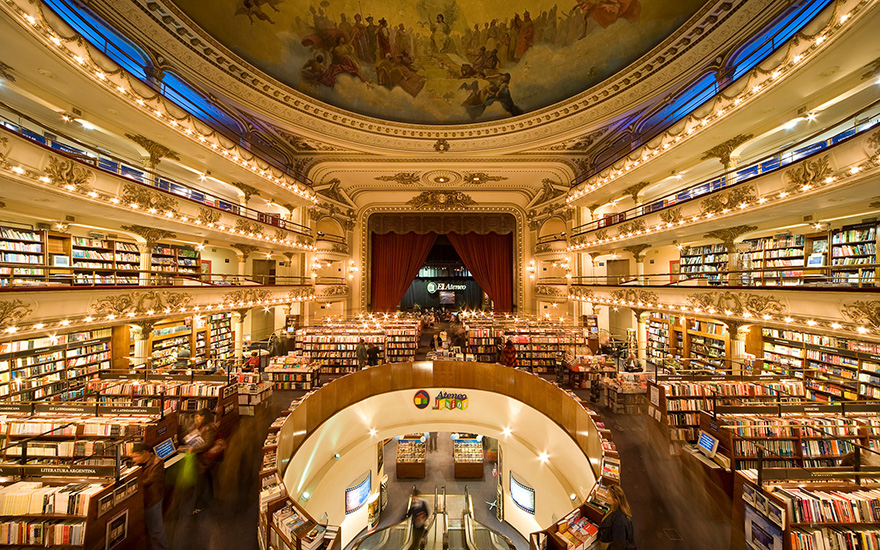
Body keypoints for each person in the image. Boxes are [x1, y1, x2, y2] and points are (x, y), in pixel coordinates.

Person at [130, 442, 169, 550]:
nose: (134, 459)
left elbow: (151, 480)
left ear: (145, 453)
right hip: (141, 500)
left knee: (156, 529)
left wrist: (134, 484)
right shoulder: (136, 464)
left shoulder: (157, 462)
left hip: (152, 500)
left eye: (136, 456)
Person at [180, 408, 218, 515]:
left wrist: (194, 449)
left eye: (199, 416)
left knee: (201, 483)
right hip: (202, 459)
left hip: (204, 460)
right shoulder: (200, 427)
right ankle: (208, 501)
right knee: (206, 481)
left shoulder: (209, 428)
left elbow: (207, 444)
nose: (197, 418)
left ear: (205, 417)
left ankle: (202, 504)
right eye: (196, 416)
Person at [598, 484, 636, 550]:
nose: (606, 496)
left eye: (608, 496)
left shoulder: (619, 522)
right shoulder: (617, 509)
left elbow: (618, 545)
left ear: (615, 501)